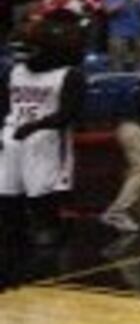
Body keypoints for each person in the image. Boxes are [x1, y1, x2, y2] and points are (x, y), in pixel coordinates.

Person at [0, 16, 86, 283]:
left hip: (47, 139)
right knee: (6, 189)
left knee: (42, 190)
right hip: (12, 137)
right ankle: (13, 232)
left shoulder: (69, 75)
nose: (22, 56)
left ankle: (50, 230)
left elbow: (69, 114)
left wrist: (36, 126)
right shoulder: (15, 72)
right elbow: (4, 106)